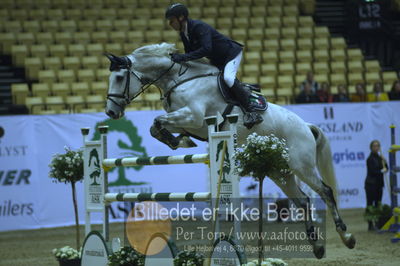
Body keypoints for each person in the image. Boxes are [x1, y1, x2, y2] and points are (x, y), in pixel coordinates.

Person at [165, 3, 262, 126]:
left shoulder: (198, 27)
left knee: (227, 77)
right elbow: (190, 54)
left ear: (181, 17)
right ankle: (244, 89)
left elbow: (206, 49)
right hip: (217, 60)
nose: (170, 24)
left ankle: (252, 111)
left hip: (231, 53)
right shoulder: (184, 33)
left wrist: (183, 57)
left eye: (171, 20)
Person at [365, 140, 388, 231]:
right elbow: (372, 171)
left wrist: (385, 161)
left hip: (379, 184)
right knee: (370, 205)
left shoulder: (380, 158)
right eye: (374, 146)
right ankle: (370, 224)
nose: (376, 147)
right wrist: (382, 171)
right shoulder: (369, 159)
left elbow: (386, 168)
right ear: (371, 147)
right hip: (371, 185)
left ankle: (378, 223)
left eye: (378, 146)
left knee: (378, 203)